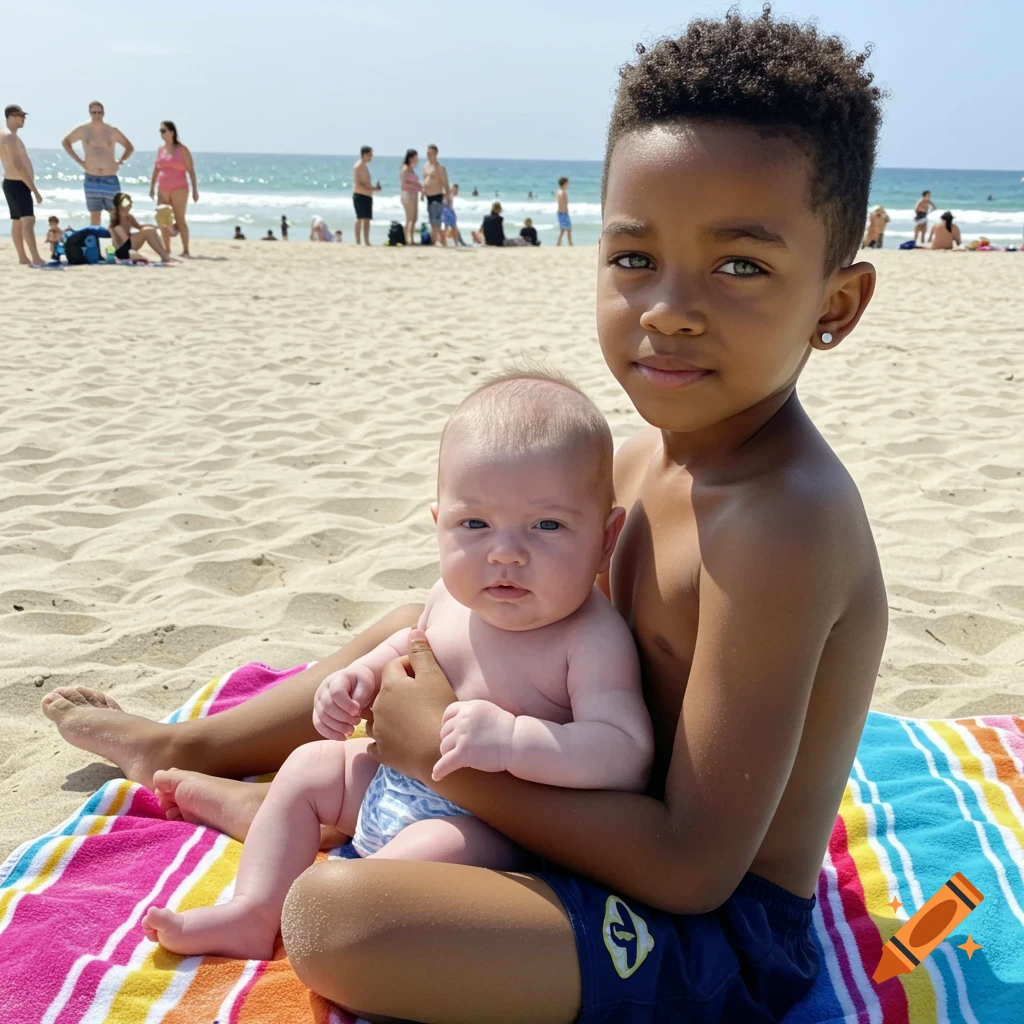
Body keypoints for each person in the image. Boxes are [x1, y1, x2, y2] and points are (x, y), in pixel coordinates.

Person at [41, 9, 888, 1023]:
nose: (667, 306)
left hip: (712, 931)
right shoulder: (629, 458)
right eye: (631, 258)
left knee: (339, 921)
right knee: (442, 607)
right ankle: (196, 754)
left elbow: (698, 867)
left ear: (835, 304)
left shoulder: (783, 522)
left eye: (739, 265)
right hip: (565, 812)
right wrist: (420, 688)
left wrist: (427, 744)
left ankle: (255, 794)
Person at [142, 372, 654, 959]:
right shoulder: (449, 598)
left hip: (489, 826)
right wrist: (357, 679)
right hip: (394, 780)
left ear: (606, 537)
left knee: (412, 865)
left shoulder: (589, 638)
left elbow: (625, 754)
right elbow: (406, 652)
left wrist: (515, 740)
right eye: (475, 524)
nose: (506, 551)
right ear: (440, 523)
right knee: (310, 766)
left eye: (548, 525)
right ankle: (252, 912)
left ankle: (344, 906)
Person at [61, 102, 134, 226]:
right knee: (95, 215)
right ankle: (95, 244)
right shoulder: (83, 130)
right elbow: (66, 142)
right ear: (90, 113)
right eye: (94, 112)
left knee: (115, 214)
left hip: (110, 178)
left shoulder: (112, 131)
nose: (97, 115)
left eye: (99, 112)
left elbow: (129, 147)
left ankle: (116, 244)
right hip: (91, 178)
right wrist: (80, 162)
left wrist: (120, 163)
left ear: (103, 113)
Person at [1, 104, 45, 265]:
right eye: (21, 115)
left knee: (18, 221)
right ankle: (35, 257)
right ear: (11, 116)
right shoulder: (9, 136)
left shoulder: (4, 134)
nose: (23, 119)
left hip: (10, 182)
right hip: (18, 183)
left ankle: (22, 257)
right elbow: (17, 164)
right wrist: (34, 190)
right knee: (28, 220)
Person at [149, 121, 198, 257]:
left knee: (179, 218)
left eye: (164, 131)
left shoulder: (182, 150)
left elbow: (191, 171)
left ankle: (186, 250)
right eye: (160, 131)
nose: (162, 133)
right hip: (163, 188)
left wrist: (195, 190)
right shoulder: (161, 149)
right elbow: (156, 169)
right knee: (163, 219)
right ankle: (167, 249)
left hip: (179, 188)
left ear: (172, 132)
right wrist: (152, 187)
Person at [108, 192, 173, 262]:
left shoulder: (129, 217)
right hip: (122, 249)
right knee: (147, 231)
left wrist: (157, 227)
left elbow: (139, 227)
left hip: (129, 244)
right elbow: (124, 240)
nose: (130, 206)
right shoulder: (116, 221)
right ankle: (165, 257)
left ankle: (164, 255)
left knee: (151, 230)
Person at [422, 144, 451, 247]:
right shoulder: (426, 166)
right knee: (431, 219)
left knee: (436, 220)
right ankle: (435, 240)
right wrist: (423, 192)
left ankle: (437, 240)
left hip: (437, 195)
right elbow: (424, 180)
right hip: (428, 196)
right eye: (427, 153)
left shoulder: (439, 167)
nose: (428, 155)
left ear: (435, 154)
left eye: (430, 153)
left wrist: (448, 197)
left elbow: (445, 183)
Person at [352, 145, 381, 245]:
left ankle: (367, 241)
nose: (371, 157)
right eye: (369, 155)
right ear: (364, 155)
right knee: (360, 218)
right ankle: (358, 241)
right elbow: (358, 183)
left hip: (367, 195)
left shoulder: (364, 166)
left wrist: (373, 188)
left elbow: (366, 183)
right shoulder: (358, 166)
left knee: (367, 219)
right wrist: (371, 188)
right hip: (360, 195)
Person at [400, 149, 422, 246]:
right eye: (415, 157)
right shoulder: (404, 168)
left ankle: (411, 238)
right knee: (409, 218)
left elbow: (416, 182)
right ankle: (408, 239)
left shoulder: (412, 169)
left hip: (414, 194)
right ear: (410, 157)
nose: (416, 160)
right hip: (407, 194)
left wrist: (421, 188)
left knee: (414, 218)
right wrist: (416, 186)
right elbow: (404, 183)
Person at [556, 176, 572, 246]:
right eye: (567, 184)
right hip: (563, 213)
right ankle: (570, 244)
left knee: (563, 230)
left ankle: (558, 244)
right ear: (564, 184)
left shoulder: (559, 192)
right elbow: (563, 204)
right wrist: (566, 212)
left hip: (561, 213)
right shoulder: (562, 193)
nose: (568, 185)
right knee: (568, 229)